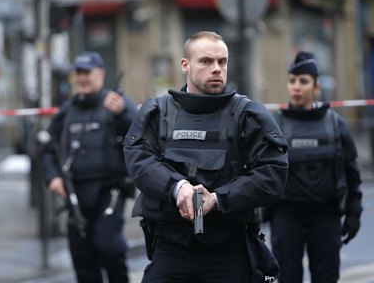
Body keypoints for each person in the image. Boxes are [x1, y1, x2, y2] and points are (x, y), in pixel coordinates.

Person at [123, 31, 289, 282]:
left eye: (222, 62)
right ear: (185, 65)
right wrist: (178, 188)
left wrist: (219, 199)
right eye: (206, 61)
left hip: (229, 246)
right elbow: (139, 159)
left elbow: (272, 174)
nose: (216, 69)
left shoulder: (248, 115)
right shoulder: (158, 112)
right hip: (172, 246)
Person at [40, 51, 138, 283]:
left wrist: (124, 111)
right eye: (78, 73)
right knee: (82, 256)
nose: (82, 78)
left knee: (108, 246)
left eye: (87, 72)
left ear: (101, 74)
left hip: (109, 190)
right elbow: (46, 148)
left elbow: (142, 131)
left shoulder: (115, 104)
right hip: (75, 195)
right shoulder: (67, 110)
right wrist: (52, 177)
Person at [268, 51, 362, 283]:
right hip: (286, 214)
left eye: (303, 81)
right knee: (287, 277)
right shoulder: (275, 124)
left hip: (326, 214)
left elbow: (352, 173)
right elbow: (263, 172)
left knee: (326, 277)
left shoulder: (335, 124)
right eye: (292, 81)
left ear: (316, 86)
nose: (296, 87)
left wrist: (354, 212)